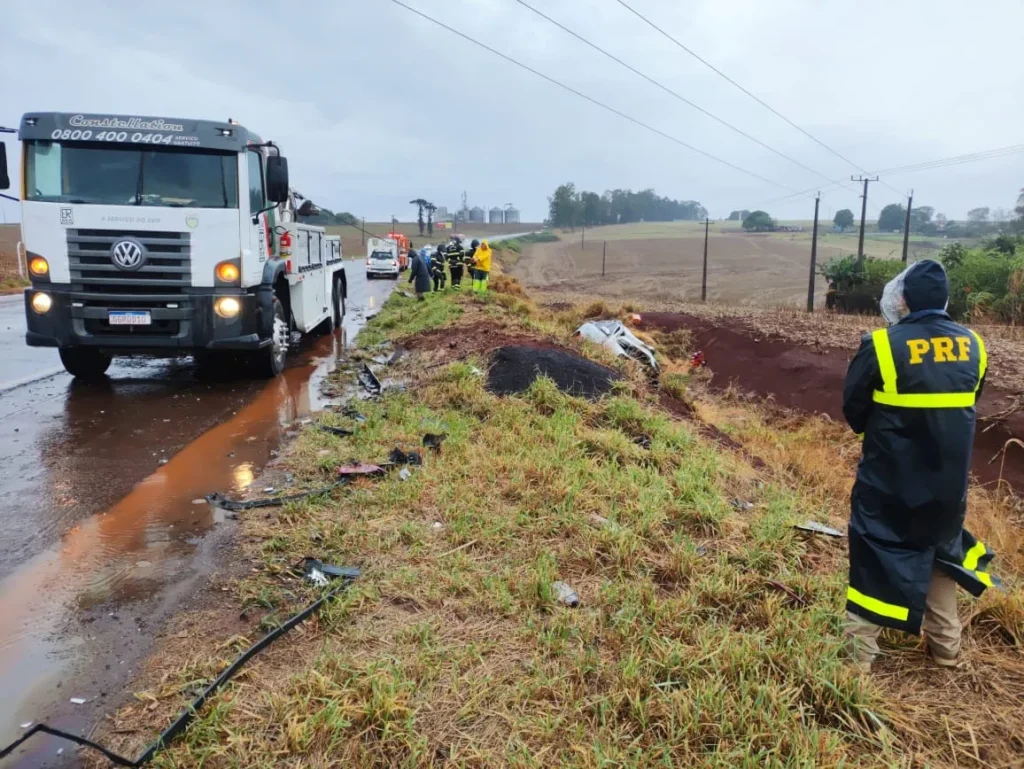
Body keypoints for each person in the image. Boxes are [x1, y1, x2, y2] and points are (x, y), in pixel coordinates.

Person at [842, 259, 1000, 673]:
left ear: (904, 299)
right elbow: (965, 406)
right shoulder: (974, 346)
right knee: (938, 559)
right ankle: (947, 653)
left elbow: (854, 412)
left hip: (889, 486)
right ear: (946, 300)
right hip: (946, 490)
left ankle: (856, 665)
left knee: (874, 563)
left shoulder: (880, 345)